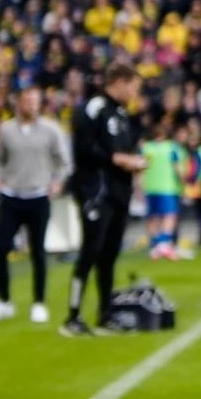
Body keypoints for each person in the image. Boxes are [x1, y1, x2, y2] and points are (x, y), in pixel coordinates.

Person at [0, 85, 70, 325]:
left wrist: (57, 182)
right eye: (27, 100)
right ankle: (3, 301)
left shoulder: (51, 130)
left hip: (38, 195)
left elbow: (64, 161)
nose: (31, 105)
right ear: (18, 103)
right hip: (11, 195)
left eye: (35, 101)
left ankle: (38, 302)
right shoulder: (7, 130)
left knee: (38, 251)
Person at [64, 63, 144, 337]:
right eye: (134, 86)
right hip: (96, 192)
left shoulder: (121, 113)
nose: (135, 93)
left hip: (119, 191)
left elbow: (122, 149)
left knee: (109, 255)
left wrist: (132, 162)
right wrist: (117, 159)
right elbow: (83, 149)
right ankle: (72, 315)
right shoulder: (93, 108)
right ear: (119, 82)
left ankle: (105, 313)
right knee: (90, 251)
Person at [140, 117, 187, 260]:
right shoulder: (172, 148)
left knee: (153, 217)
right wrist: (184, 183)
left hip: (150, 187)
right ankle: (164, 245)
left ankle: (156, 246)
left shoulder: (146, 147)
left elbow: (140, 167)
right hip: (168, 187)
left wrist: (139, 187)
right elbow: (178, 168)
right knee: (169, 216)